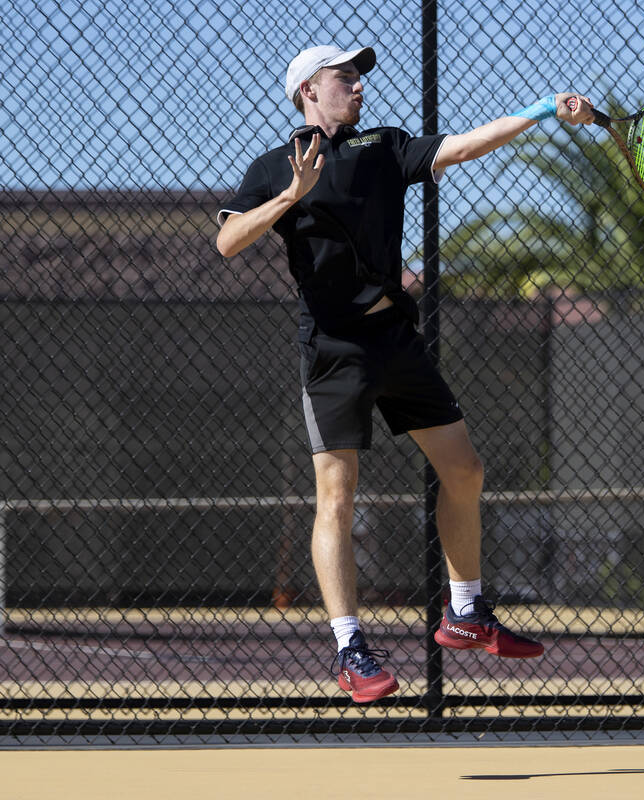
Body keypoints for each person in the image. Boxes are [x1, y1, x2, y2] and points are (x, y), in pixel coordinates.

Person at [216, 43, 595, 703]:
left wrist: (543, 108)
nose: (358, 86)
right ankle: (349, 650)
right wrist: (290, 197)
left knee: (466, 469)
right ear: (308, 89)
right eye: (344, 78)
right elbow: (227, 240)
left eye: (360, 77)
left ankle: (466, 610)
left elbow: (466, 147)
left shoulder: (384, 148)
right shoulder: (273, 167)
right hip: (334, 349)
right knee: (336, 494)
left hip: (396, 338)